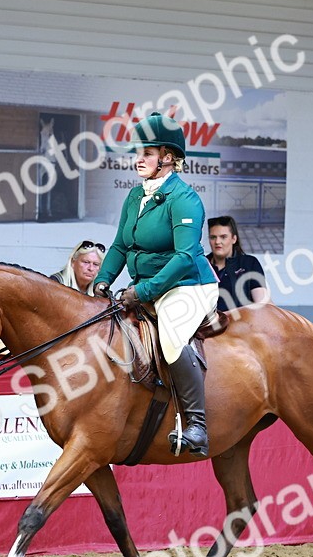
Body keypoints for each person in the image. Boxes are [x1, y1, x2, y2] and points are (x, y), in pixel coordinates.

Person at [92, 112, 219, 457]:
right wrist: (104, 279)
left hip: (188, 285)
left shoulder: (185, 199)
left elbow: (185, 256)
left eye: (147, 153)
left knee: (172, 337)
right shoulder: (135, 196)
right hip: (147, 283)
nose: (139, 159)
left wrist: (143, 291)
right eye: (138, 153)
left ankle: (197, 426)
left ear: (168, 157)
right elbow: (120, 245)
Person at [207, 215, 269, 311]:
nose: (217, 242)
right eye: (213, 237)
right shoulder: (201, 266)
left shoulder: (249, 263)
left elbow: (262, 303)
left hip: (242, 323)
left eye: (223, 237)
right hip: (208, 325)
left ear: (234, 239)